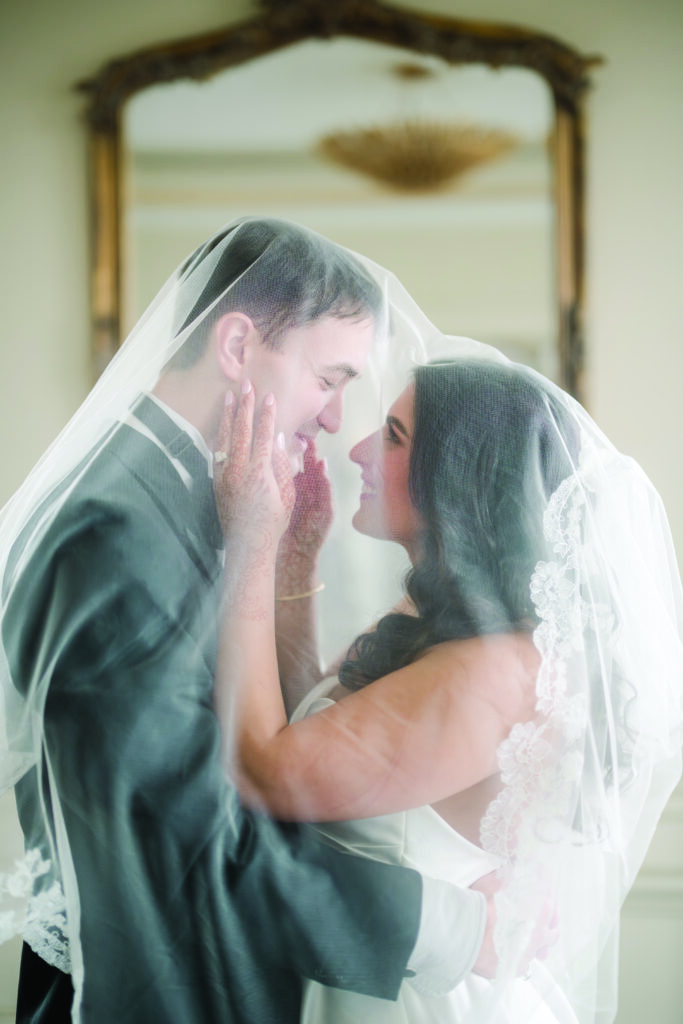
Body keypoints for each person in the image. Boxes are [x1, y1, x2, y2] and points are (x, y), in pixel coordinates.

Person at [0, 219, 496, 1024]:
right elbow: (189, 835)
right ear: (236, 346)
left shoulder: (180, 497)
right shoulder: (116, 532)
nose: (334, 421)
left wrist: (281, 560)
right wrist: (449, 928)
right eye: (328, 379)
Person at [211, 354, 683, 1023]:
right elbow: (308, 724)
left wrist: (251, 544)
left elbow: (267, 770)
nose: (358, 450)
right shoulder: (439, 626)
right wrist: (294, 560)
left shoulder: (491, 670)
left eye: (393, 437)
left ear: (460, 479)